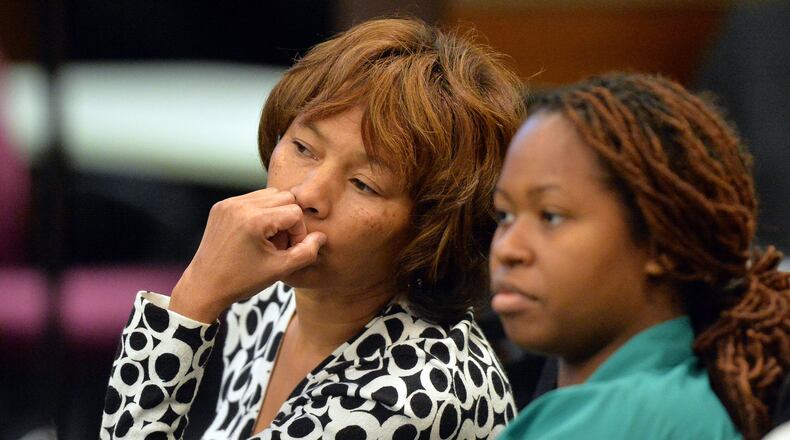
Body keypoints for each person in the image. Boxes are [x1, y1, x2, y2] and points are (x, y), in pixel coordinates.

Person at [100, 17, 525, 439]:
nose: (307, 194)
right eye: (303, 147)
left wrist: (195, 296)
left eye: (364, 184)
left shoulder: (404, 399)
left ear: (432, 226)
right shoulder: (269, 297)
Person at [489, 73, 789, 440]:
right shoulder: (690, 389)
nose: (507, 249)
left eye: (551, 216)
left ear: (662, 241)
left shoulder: (621, 422)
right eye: (504, 215)